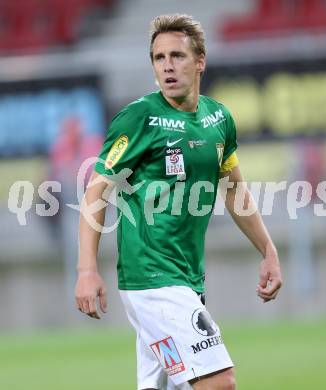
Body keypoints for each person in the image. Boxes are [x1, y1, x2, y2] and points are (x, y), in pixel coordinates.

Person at [75, 14, 282, 390]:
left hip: (186, 280)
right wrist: (86, 270)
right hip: (153, 280)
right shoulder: (141, 117)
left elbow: (233, 188)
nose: (167, 66)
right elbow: (96, 190)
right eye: (158, 58)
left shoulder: (219, 118)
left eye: (177, 56)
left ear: (200, 61)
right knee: (220, 382)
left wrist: (267, 249)